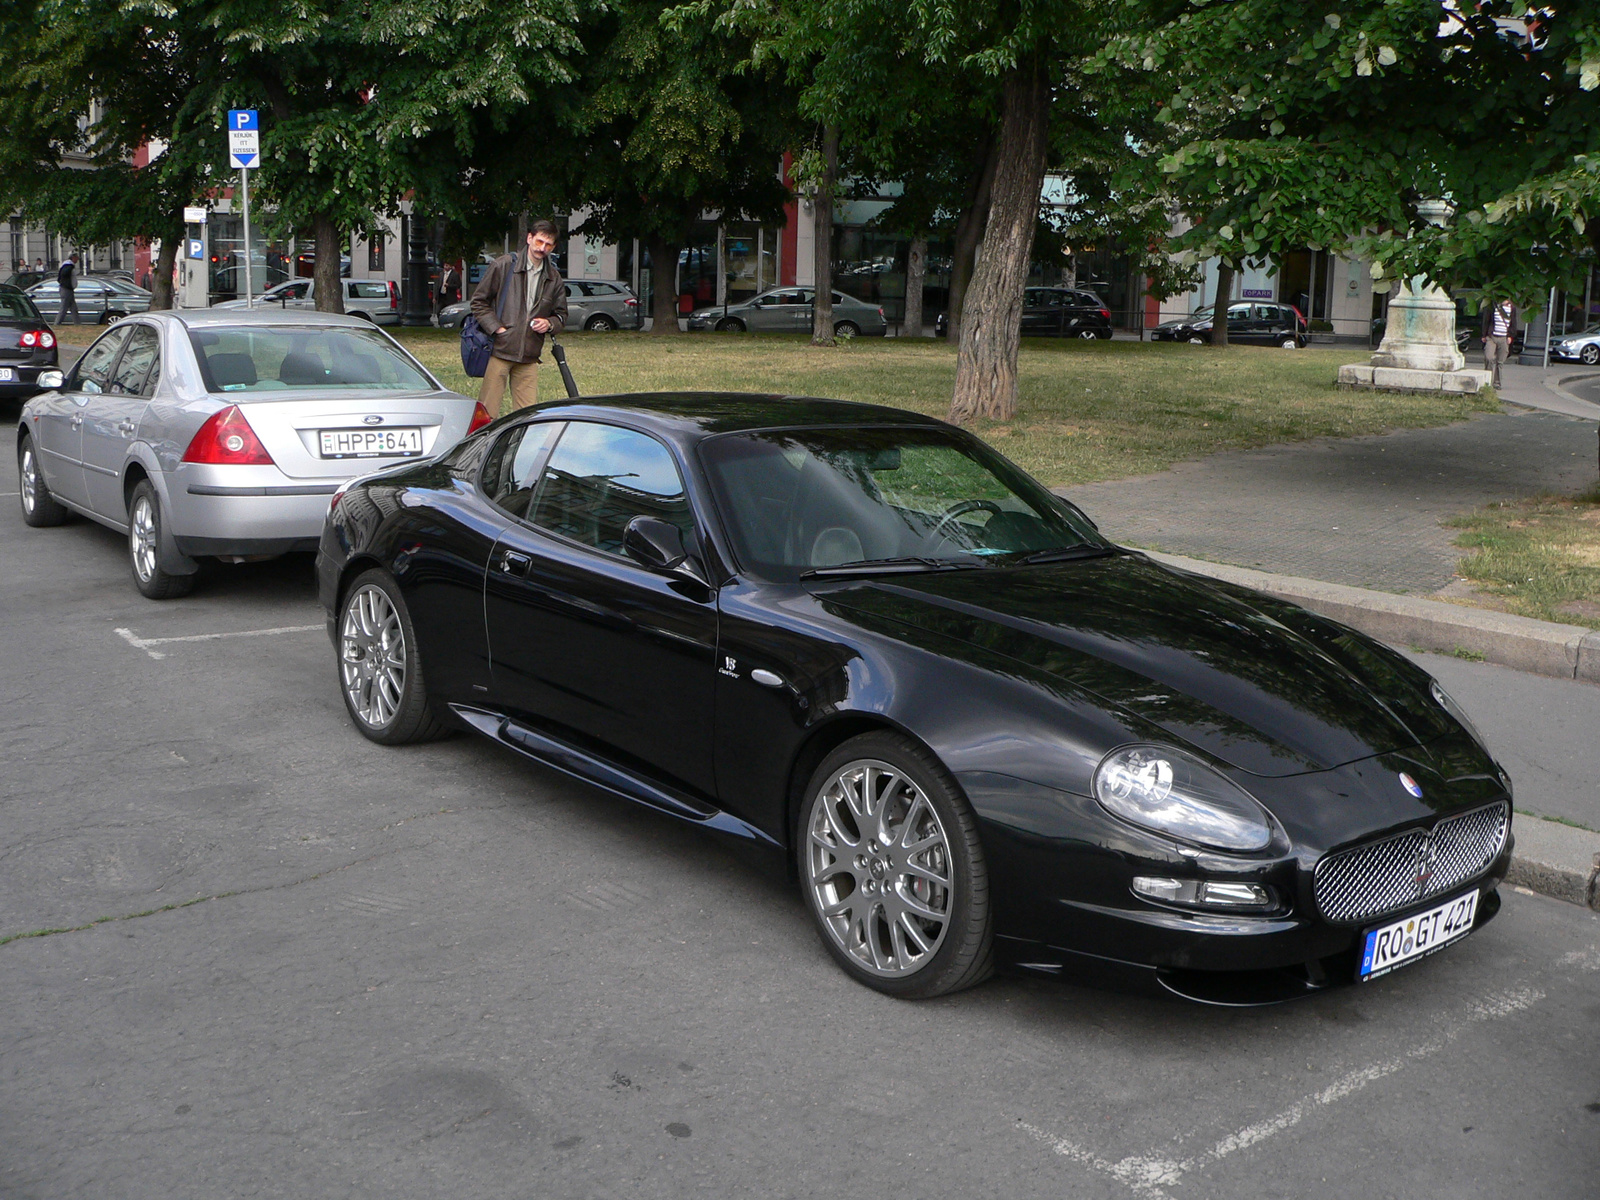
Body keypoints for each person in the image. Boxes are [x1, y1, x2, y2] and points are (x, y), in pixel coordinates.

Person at [469, 220, 567, 415]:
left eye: (548, 244)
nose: (542, 248)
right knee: (487, 414)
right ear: (529, 238)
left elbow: (562, 315)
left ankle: (520, 446)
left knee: (527, 417)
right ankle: (483, 446)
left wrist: (549, 323)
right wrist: (498, 329)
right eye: (539, 241)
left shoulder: (553, 277)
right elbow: (478, 302)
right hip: (499, 351)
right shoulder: (504, 265)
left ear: (554, 247)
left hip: (529, 356)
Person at [1480, 298, 1519, 388]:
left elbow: (1513, 322)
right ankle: (1487, 381)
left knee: (1500, 362)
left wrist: (1510, 336)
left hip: (1504, 338)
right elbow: (1486, 320)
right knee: (1488, 357)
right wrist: (1484, 335)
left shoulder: (1512, 308)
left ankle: (1497, 382)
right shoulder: (1493, 305)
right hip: (1492, 336)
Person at [57, 254, 79, 324]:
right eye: (76, 258)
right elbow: (63, 274)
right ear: (73, 258)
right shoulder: (68, 266)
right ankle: (57, 323)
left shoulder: (67, 266)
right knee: (63, 308)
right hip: (66, 289)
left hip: (69, 289)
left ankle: (77, 323)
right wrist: (66, 284)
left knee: (73, 308)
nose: (77, 260)